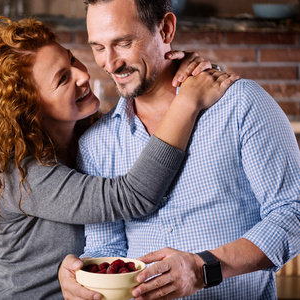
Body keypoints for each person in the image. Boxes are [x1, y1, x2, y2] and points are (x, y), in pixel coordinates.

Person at [0, 16, 238, 300]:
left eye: (71, 60)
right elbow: (132, 196)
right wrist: (188, 101)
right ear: (28, 109)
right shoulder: (20, 175)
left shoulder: (88, 136)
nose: (84, 75)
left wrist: (189, 72)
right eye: (62, 79)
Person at [58, 0, 300, 299]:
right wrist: (84, 280)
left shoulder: (242, 105)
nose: (109, 63)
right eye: (98, 47)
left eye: (123, 43)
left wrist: (204, 268)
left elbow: (292, 212)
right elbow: (106, 249)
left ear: (166, 28)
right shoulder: (96, 144)